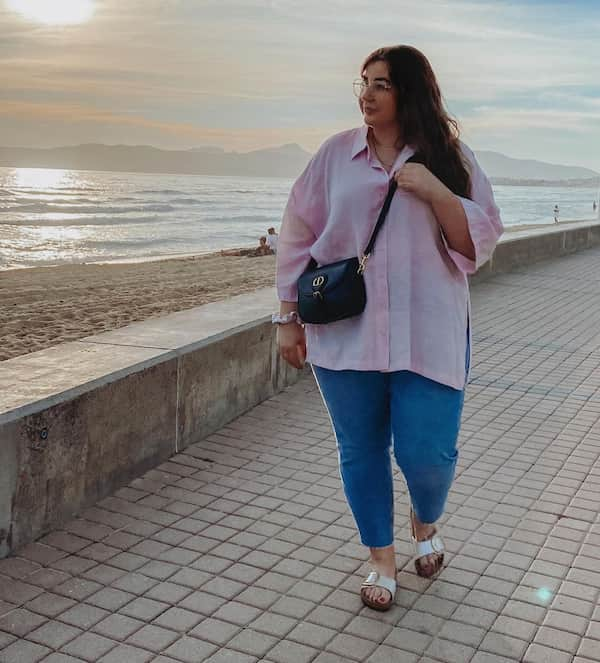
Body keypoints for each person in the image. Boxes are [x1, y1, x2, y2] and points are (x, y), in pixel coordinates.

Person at [274, 45, 503, 612]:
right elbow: (298, 232)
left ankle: (424, 518)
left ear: (410, 91)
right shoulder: (334, 156)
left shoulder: (451, 157)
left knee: (429, 454)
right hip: (345, 334)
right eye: (363, 82)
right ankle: (381, 557)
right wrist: (286, 318)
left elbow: (482, 240)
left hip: (429, 333)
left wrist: (436, 190)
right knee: (360, 449)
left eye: (382, 84)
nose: (367, 94)